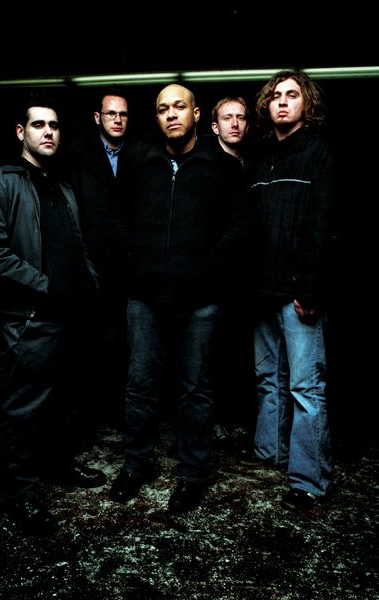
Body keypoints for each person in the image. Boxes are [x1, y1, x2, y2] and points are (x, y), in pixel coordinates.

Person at [108, 84, 252, 513]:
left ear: (196, 113)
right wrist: (135, 259)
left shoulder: (221, 166)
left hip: (200, 299)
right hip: (145, 295)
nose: (171, 114)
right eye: (162, 109)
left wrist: (206, 267)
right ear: (156, 118)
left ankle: (193, 473)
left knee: (196, 388)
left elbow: (242, 226)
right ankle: (137, 464)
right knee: (140, 385)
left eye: (179, 107)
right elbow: (115, 216)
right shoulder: (139, 160)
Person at [0, 92, 107, 536]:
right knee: (23, 406)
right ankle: (18, 494)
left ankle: (58, 465)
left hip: (70, 313)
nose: (49, 132)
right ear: (20, 132)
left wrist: (89, 281)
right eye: (39, 125)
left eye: (54, 125)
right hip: (29, 315)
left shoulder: (62, 186)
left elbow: (77, 246)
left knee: (61, 399)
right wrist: (45, 285)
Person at [243, 70, 336, 510]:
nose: (282, 102)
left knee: (305, 387)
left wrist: (311, 289)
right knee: (268, 379)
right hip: (262, 290)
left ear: (306, 104)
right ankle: (270, 453)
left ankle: (308, 479)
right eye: (275, 95)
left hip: (299, 291)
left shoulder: (318, 153)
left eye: (291, 95)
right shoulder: (262, 158)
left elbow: (323, 225)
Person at [63, 86, 130, 434]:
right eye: (110, 114)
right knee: (85, 343)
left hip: (126, 265)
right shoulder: (76, 154)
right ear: (97, 117)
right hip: (88, 262)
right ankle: (85, 418)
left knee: (123, 343)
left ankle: (119, 413)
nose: (117, 120)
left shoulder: (139, 153)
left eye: (123, 114)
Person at [210, 95, 256, 450]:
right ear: (215, 126)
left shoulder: (256, 166)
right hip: (214, 277)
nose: (235, 123)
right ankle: (213, 423)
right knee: (212, 353)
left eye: (240, 117)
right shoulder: (206, 165)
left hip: (247, 278)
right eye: (227, 118)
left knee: (241, 352)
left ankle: (238, 422)